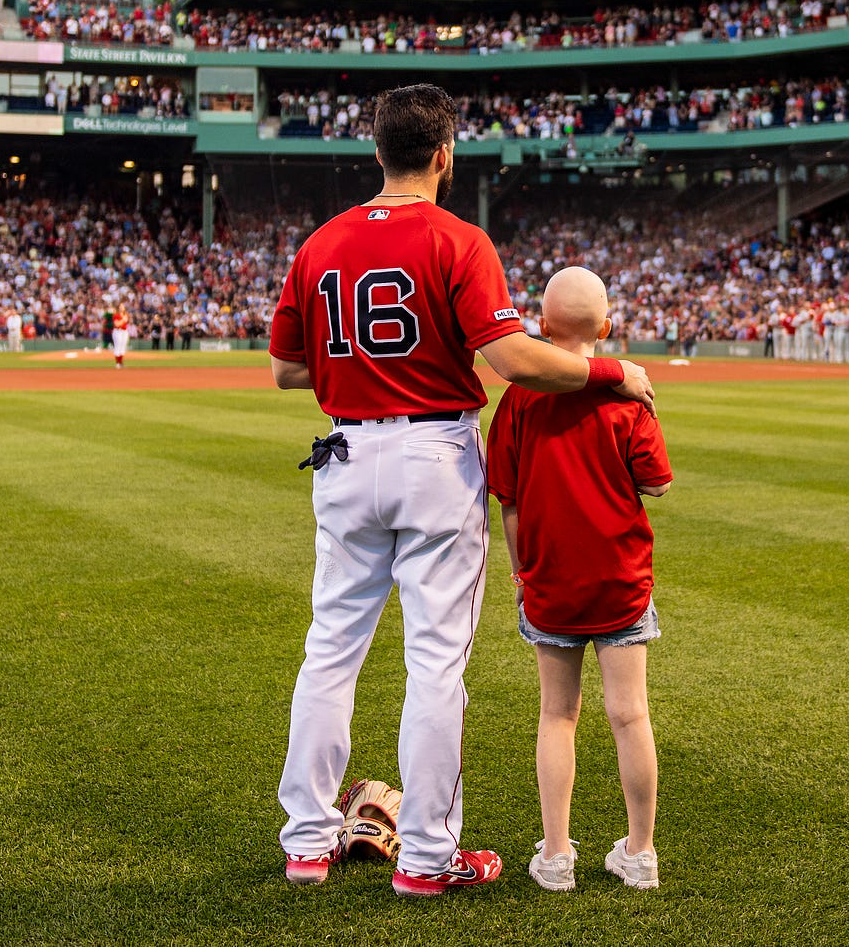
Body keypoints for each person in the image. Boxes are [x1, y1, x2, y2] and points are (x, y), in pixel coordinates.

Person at [267, 82, 654, 897]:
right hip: (433, 452)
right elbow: (514, 360)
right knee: (435, 660)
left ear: (377, 152)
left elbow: (286, 369)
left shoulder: (321, 242)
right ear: (445, 154)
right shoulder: (459, 238)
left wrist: (360, 368)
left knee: (330, 648)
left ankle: (305, 841)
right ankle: (427, 858)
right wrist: (609, 371)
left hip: (344, 449)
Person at [486, 266, 672, 894]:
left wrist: (520, 570)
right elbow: (656, 481)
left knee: (557, 715)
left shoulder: (519, 400)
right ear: (608, 325)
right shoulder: (627, 395)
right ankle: (640, 854)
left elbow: (506, 500)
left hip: (550, 582)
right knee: (631, 715)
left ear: (541, 326)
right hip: (620, 578)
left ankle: (558, 855)